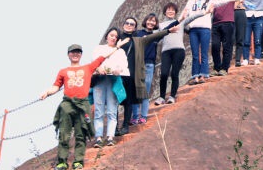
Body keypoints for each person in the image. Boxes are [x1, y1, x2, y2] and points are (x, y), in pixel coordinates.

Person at [40, 40, 127, 170]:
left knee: (81, 134)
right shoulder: (63, 71)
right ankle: (62, 162)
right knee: (64, 133)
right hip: (67, 104)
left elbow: (103, 57)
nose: (75, 54)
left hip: (83, 104)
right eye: (73, 52)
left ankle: (78, 161)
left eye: (78, 52)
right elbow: (56, 86)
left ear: (81, 55)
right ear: (68, 54)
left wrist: (117, 47)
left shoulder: (88, 67)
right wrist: (47, 92)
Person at [116, 17, 180, 136]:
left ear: (135, 27)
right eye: (127, 23)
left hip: (131, 74)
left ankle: (125, 126)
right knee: (115, 101)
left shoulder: (138, 40)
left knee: (129, 101)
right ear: (123, 24)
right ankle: (115, 128)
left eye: (132, 24)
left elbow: (153, 37)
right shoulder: (117, 39)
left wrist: (168, 31)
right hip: (116, 74)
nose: (129, 25)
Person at [91, 27, 129, 147]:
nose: (113, 38)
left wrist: (119, 69)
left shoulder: (121, 52)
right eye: (111, 35)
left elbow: (123, 65)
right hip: (100, 80)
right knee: (99, 110)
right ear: (107, 36)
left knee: (112, 110)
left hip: (114, 80)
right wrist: (98, 68)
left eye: (115, 36)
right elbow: (94, 62)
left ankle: (110, 137)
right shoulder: (99, 48)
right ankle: (98, 137)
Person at [211, 0, 249, 76]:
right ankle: (217, 68)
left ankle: (224, 68)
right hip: (216, 23)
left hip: (228, 22)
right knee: (215, 46)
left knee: (227, 46)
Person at [130, 13, 161, 126]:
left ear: (156, 23)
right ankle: (135, 117)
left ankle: (143, 116)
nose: (151, 23)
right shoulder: (138, 34)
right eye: (149, 20)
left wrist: (180, 19)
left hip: (149, 65)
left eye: (153, 21)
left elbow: (168, 30)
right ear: (145, 21)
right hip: (138, 65)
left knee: (145, 92)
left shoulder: (156, 35)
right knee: (135, 91)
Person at [156, 3, 187, 102]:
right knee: (164, 74)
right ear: (165, 12)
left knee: (174, 73)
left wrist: (205, 11)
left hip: (179, 50)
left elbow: (193, 18)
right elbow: (155, 35)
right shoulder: (160, 25)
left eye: (173, 10)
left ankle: (172, 96)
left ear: (176, 12)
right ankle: (161, 97)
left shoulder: (181, 22)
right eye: (168, 10)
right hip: (166, 51)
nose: (170, 11)